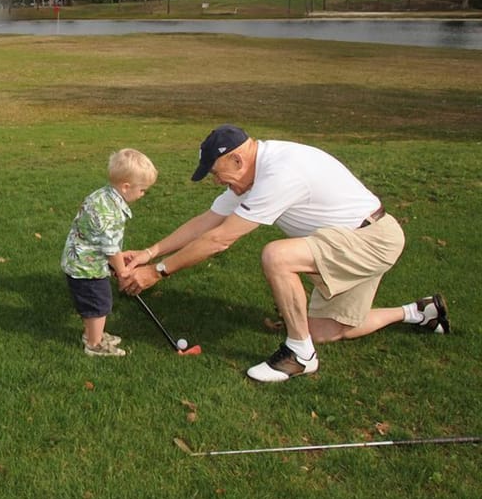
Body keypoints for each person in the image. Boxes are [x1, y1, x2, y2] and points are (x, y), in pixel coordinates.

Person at [120, 124, 449, 382]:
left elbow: (220, 239)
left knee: (277, 256)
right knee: (323, 330)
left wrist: (158, 271)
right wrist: (149, 253)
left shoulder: (279, 173)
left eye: (217, 173)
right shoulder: (253, 171)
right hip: (353, 240)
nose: (218, 181)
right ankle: (418, 312)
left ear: (237, 159)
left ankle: (300, 356)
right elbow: (209, 221)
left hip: (371, 239)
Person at [61, 149, 158, 357]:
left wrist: (116, 260)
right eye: (142, 190)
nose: (143, 194)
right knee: (99, 305)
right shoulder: (110, 211)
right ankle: (95, 345)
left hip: (80, 259)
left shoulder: (102, 195)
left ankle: (92, 334)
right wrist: (122, 271)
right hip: (87, 268)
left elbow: (101, 239)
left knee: (91, 304)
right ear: (126, 187)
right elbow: (111, 248)